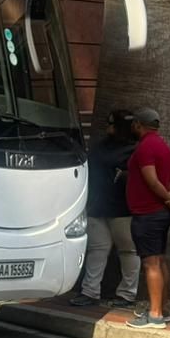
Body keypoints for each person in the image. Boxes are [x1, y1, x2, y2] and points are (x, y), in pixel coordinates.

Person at [71, 110, 139, 308]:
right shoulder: (103, 146)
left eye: (112, 124)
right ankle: (90, 292)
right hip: (98, 206)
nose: (108, 128)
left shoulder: (134, 149)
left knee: (128, 251)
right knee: (97, 250)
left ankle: (127, 294)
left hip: (122, 209)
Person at [125, 107, 170, 329]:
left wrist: (167, 199)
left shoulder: (145, 148)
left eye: (133, 123)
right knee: (159, 260)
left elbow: (152, 180)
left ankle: (155, 314)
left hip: (147, 214)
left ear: (138, 124)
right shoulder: (164, 147)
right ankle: (161, 310)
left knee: (150, 263)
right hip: (161, 213)